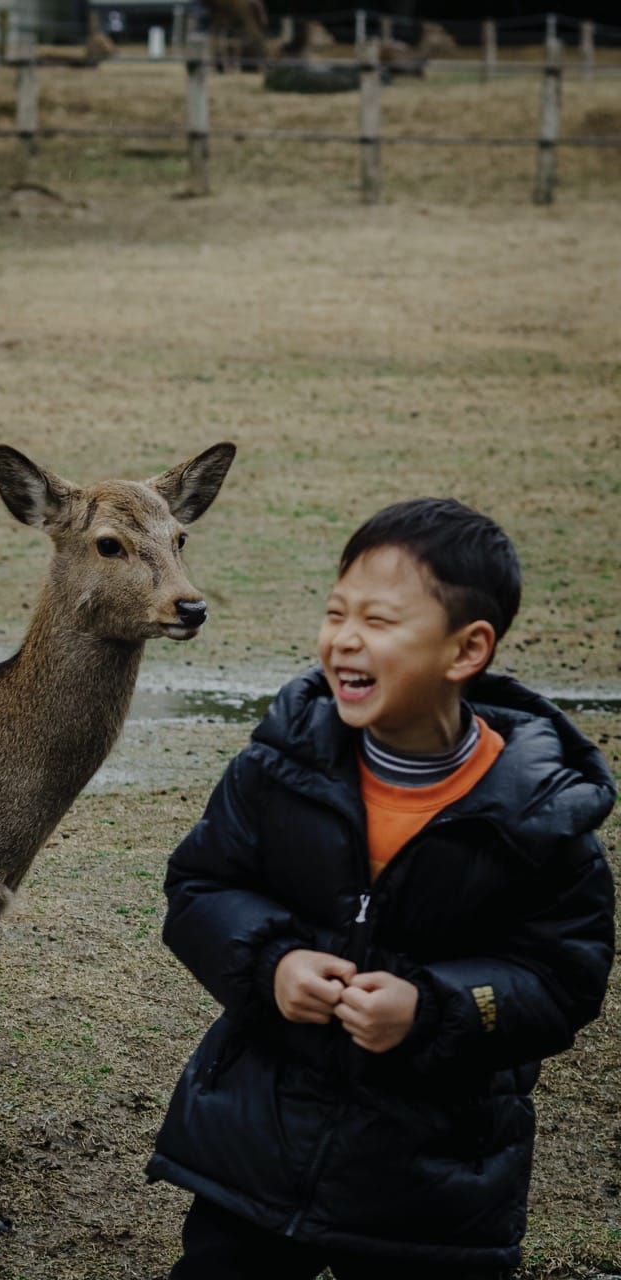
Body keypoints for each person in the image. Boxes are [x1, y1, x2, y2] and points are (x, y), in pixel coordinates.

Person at [146, 496, 616, 1280]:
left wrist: (435, 1008)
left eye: (382, 621)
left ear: (466, 651)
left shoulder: (538, 819)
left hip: (433, 1187)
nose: (346, 639)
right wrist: (273, 963)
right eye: (337, 612)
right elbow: (201, 886)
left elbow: (563, 978)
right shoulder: (279, 766)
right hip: (260, 1150)